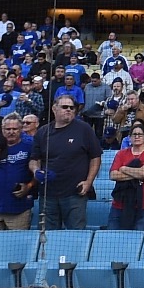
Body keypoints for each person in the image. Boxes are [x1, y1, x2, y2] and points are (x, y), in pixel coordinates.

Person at [31, 94, 101, 231]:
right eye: (64, 107)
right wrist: (35, 171)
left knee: (76, 234)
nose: (69, 110)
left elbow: (96, 157)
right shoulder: (43, 132)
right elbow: (34, 159)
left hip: (75, 193)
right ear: (54, 109)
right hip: (48, 194)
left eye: (72, 107)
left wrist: (88, 182)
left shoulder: (84, 129)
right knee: (48, 234)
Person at [106, 122, 144, 230]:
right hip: (120, 203)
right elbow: (113, 175)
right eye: (134, 134)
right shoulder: (121, 154)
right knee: (112, 238)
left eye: (140, 134)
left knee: (138, 238)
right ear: (129, 137)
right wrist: (138, 174)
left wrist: (124, 169)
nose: (137, 137)